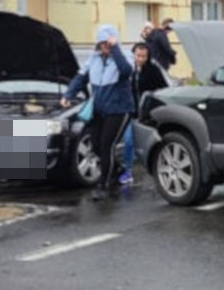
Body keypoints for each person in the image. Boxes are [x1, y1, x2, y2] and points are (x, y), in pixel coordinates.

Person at [60, 25, 134, 201]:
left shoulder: (124, 56)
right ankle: (117, 169)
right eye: (102, 43)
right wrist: (68, 95)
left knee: (107, 144)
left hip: (119, 109)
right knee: (95, 145)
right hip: (99, 110)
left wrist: (115, 49)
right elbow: (80, 78)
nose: (105, 47)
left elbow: (126, 71)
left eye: (108, 43)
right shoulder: (93, 59)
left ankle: (103, 185)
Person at [119, 42, 168, 185]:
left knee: (150, 142)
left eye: (143, 56)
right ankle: (127, 170)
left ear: (148, 56)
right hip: (129, 112)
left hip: (146, 115)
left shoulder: (153, 70)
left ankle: (157, 168)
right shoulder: (129, 70)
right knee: (128, 140)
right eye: (138, 56)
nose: (140, 59)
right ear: (133, 55)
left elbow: (163, 90)